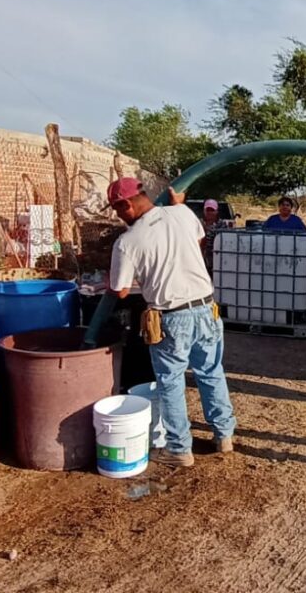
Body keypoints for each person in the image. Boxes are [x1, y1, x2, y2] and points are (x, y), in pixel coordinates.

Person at [106, 177, 237, 466]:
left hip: (171, 317)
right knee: (211, 372)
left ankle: (180, 450)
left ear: (127, 204)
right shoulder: (181, 212)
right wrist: (177, 206)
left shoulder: (127, 242)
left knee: (171, 382)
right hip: (206, 309)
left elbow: (121, 290)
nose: (118, 216)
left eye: (117, 210)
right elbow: (199, 240)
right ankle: (224, 435)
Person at [201, 199, 221, 272]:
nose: (209, 212)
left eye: (212, 210)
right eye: (207, 210)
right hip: (201, 260)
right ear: (204, 211)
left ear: (216, 211)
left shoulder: (221, 225)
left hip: (216, 261)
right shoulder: (198, 223)